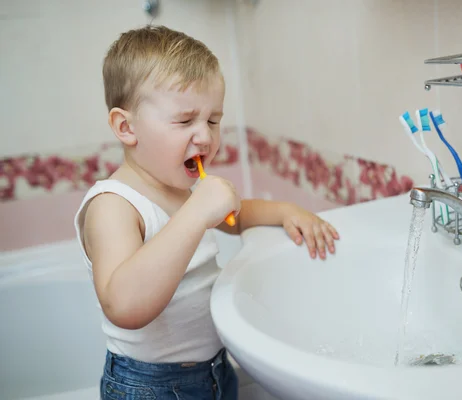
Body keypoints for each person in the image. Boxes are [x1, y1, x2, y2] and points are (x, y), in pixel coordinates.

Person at [73, 25, 339, 400]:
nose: (206, 137)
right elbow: (124, 305)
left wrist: (284, 211)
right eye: (185, 121)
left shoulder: (183, 190)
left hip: (213, 371)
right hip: (149, 386)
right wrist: (196, 213)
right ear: (126, 126)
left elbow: (236, 215)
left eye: (213, 120)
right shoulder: (114, 205)